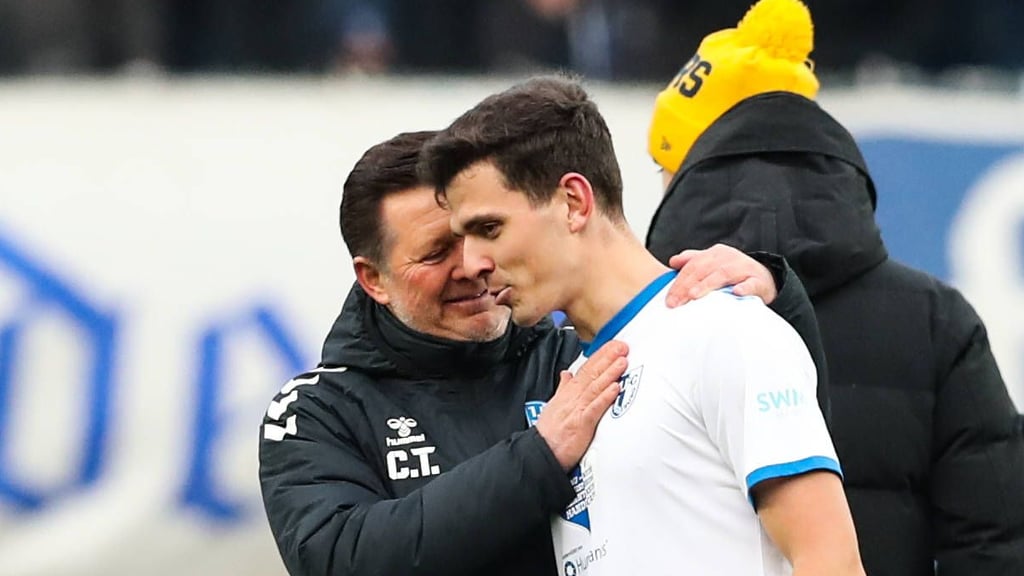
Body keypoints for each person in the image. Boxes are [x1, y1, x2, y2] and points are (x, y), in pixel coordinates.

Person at [258, 130, 816, 575]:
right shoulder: (314, 412)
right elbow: (344, 559)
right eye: (437, 252)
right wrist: (539, 457)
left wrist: (774, 300)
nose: (473, 264)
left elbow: (782, 450)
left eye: (481, 234)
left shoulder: (580, 358)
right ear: (373, 278)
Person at [420, 75, 863, 576]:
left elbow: (831, 560)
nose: (473, 262)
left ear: (573, 202)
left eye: (489, 229)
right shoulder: (573, 387)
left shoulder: (724, 332)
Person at [643, 0, 1024, 575]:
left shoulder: (639, 321)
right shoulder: (934, 318)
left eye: (664, 165)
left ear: (691, 170)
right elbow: (997, 542)